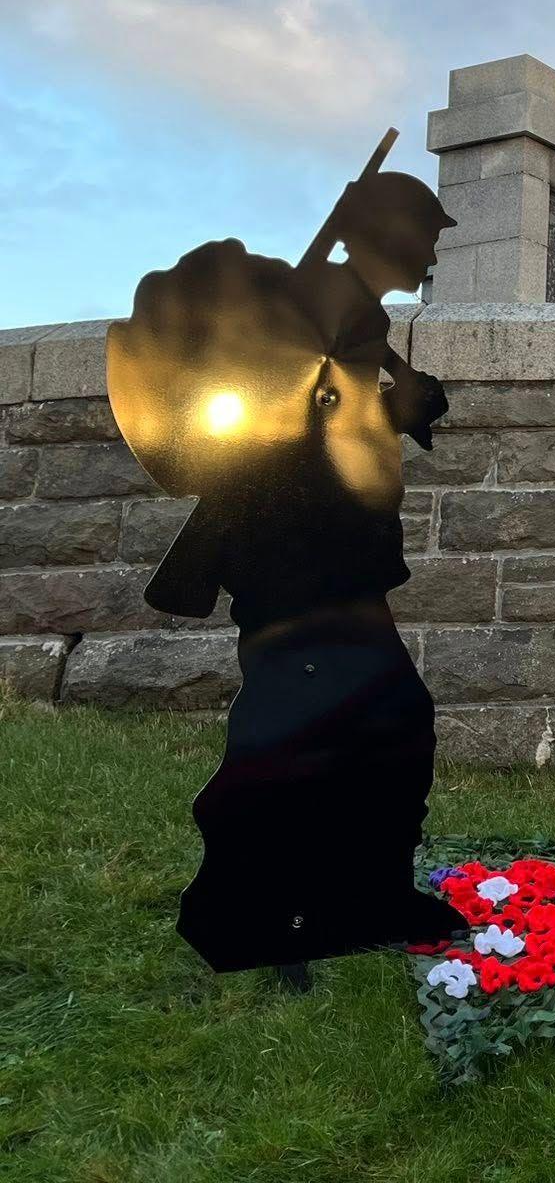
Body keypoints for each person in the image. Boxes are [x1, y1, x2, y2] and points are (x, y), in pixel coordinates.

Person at [108, 170, 467, 973]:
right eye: (426, 232)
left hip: (335, 556)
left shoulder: (353, 310)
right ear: (388, 235)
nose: (435, 246)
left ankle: (360, 899)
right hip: (294, 559)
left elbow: (336, 425)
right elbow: (283, 429)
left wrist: (401, 408)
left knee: (379, 723)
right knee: (296, 731)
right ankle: (240, 918)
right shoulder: (312, 306)